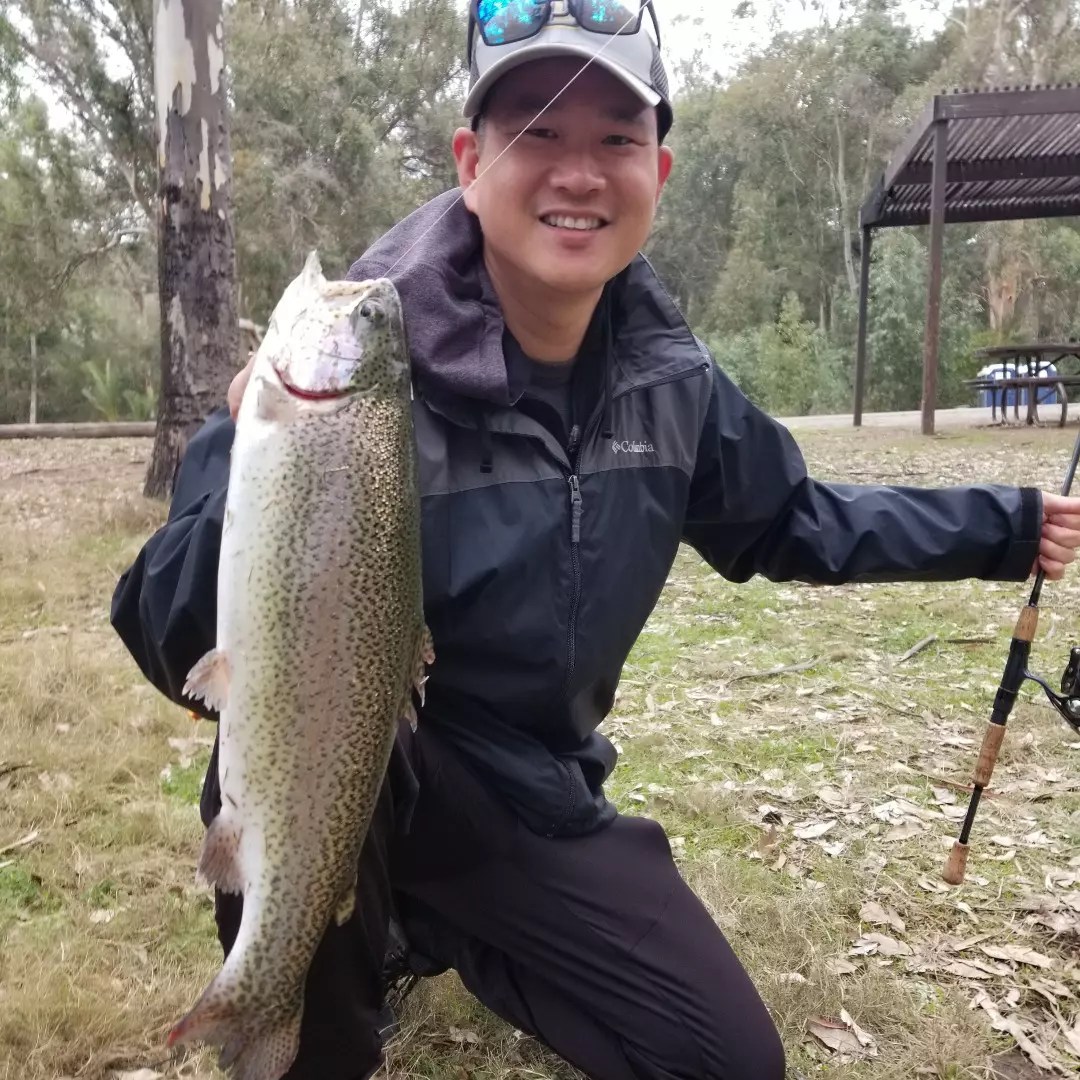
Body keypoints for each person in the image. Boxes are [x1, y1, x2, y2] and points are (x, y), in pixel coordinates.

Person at [111, 3, 1080, 1078]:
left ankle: (438, 930)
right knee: (322, 852)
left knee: (727, 1065)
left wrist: (1008, 528)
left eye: (616, 139)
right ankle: (318, 994)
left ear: (658, 173)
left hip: (535, 793)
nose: (579, 172)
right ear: (472, 163)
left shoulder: (672, 383)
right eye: (538, 132)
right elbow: (163, 627)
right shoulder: (353, 380)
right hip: (366, 768)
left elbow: (795, 521)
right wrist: (241, 450)